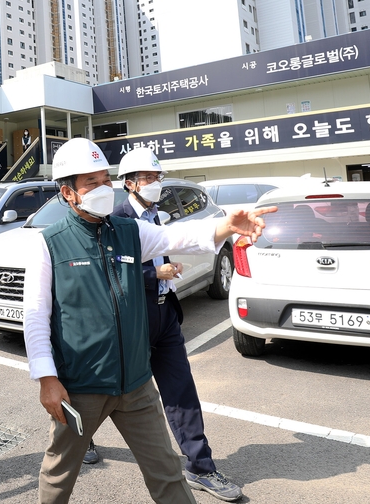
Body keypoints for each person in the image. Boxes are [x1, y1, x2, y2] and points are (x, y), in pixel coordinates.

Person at [22, 138, 275, 504]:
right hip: (82, 385)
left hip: (136, 386)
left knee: (168, 473)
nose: (102, 188)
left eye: (104, 179)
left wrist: (225, 226)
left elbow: (177, 236)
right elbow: (35, 316)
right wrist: (47, 379)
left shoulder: (128, 232)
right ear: (67, 192)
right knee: (59, 475)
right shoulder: (50, 243)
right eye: (90, 183)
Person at [109, 147, 241, 501]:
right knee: (105, 391)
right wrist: (154, 273)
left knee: (181, 390)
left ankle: (200, 465)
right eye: (148, 178)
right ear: (129, 183)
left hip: (166, 315)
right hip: (133, 320)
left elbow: (181, 240)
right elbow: (110, 272)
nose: (155, 184)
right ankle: (84, 437)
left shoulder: (157, 215)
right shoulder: (114, 218)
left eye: (157, 177)